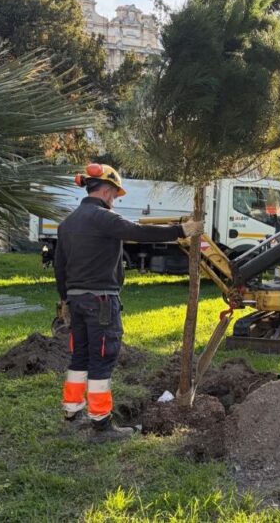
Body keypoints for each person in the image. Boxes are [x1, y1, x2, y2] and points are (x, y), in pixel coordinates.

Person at [54, 163, 203, 441]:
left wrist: (64, 300)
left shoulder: (67, 223)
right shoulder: (103, 218)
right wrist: (181, 230)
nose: (115, 200)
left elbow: (59, 267)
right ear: (107, 190)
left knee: (80, 357)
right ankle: (101, 424)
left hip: (76, 301)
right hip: (101, 301)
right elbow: (138, 232)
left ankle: (72, 412)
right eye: (115, 195)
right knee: (101, 359)